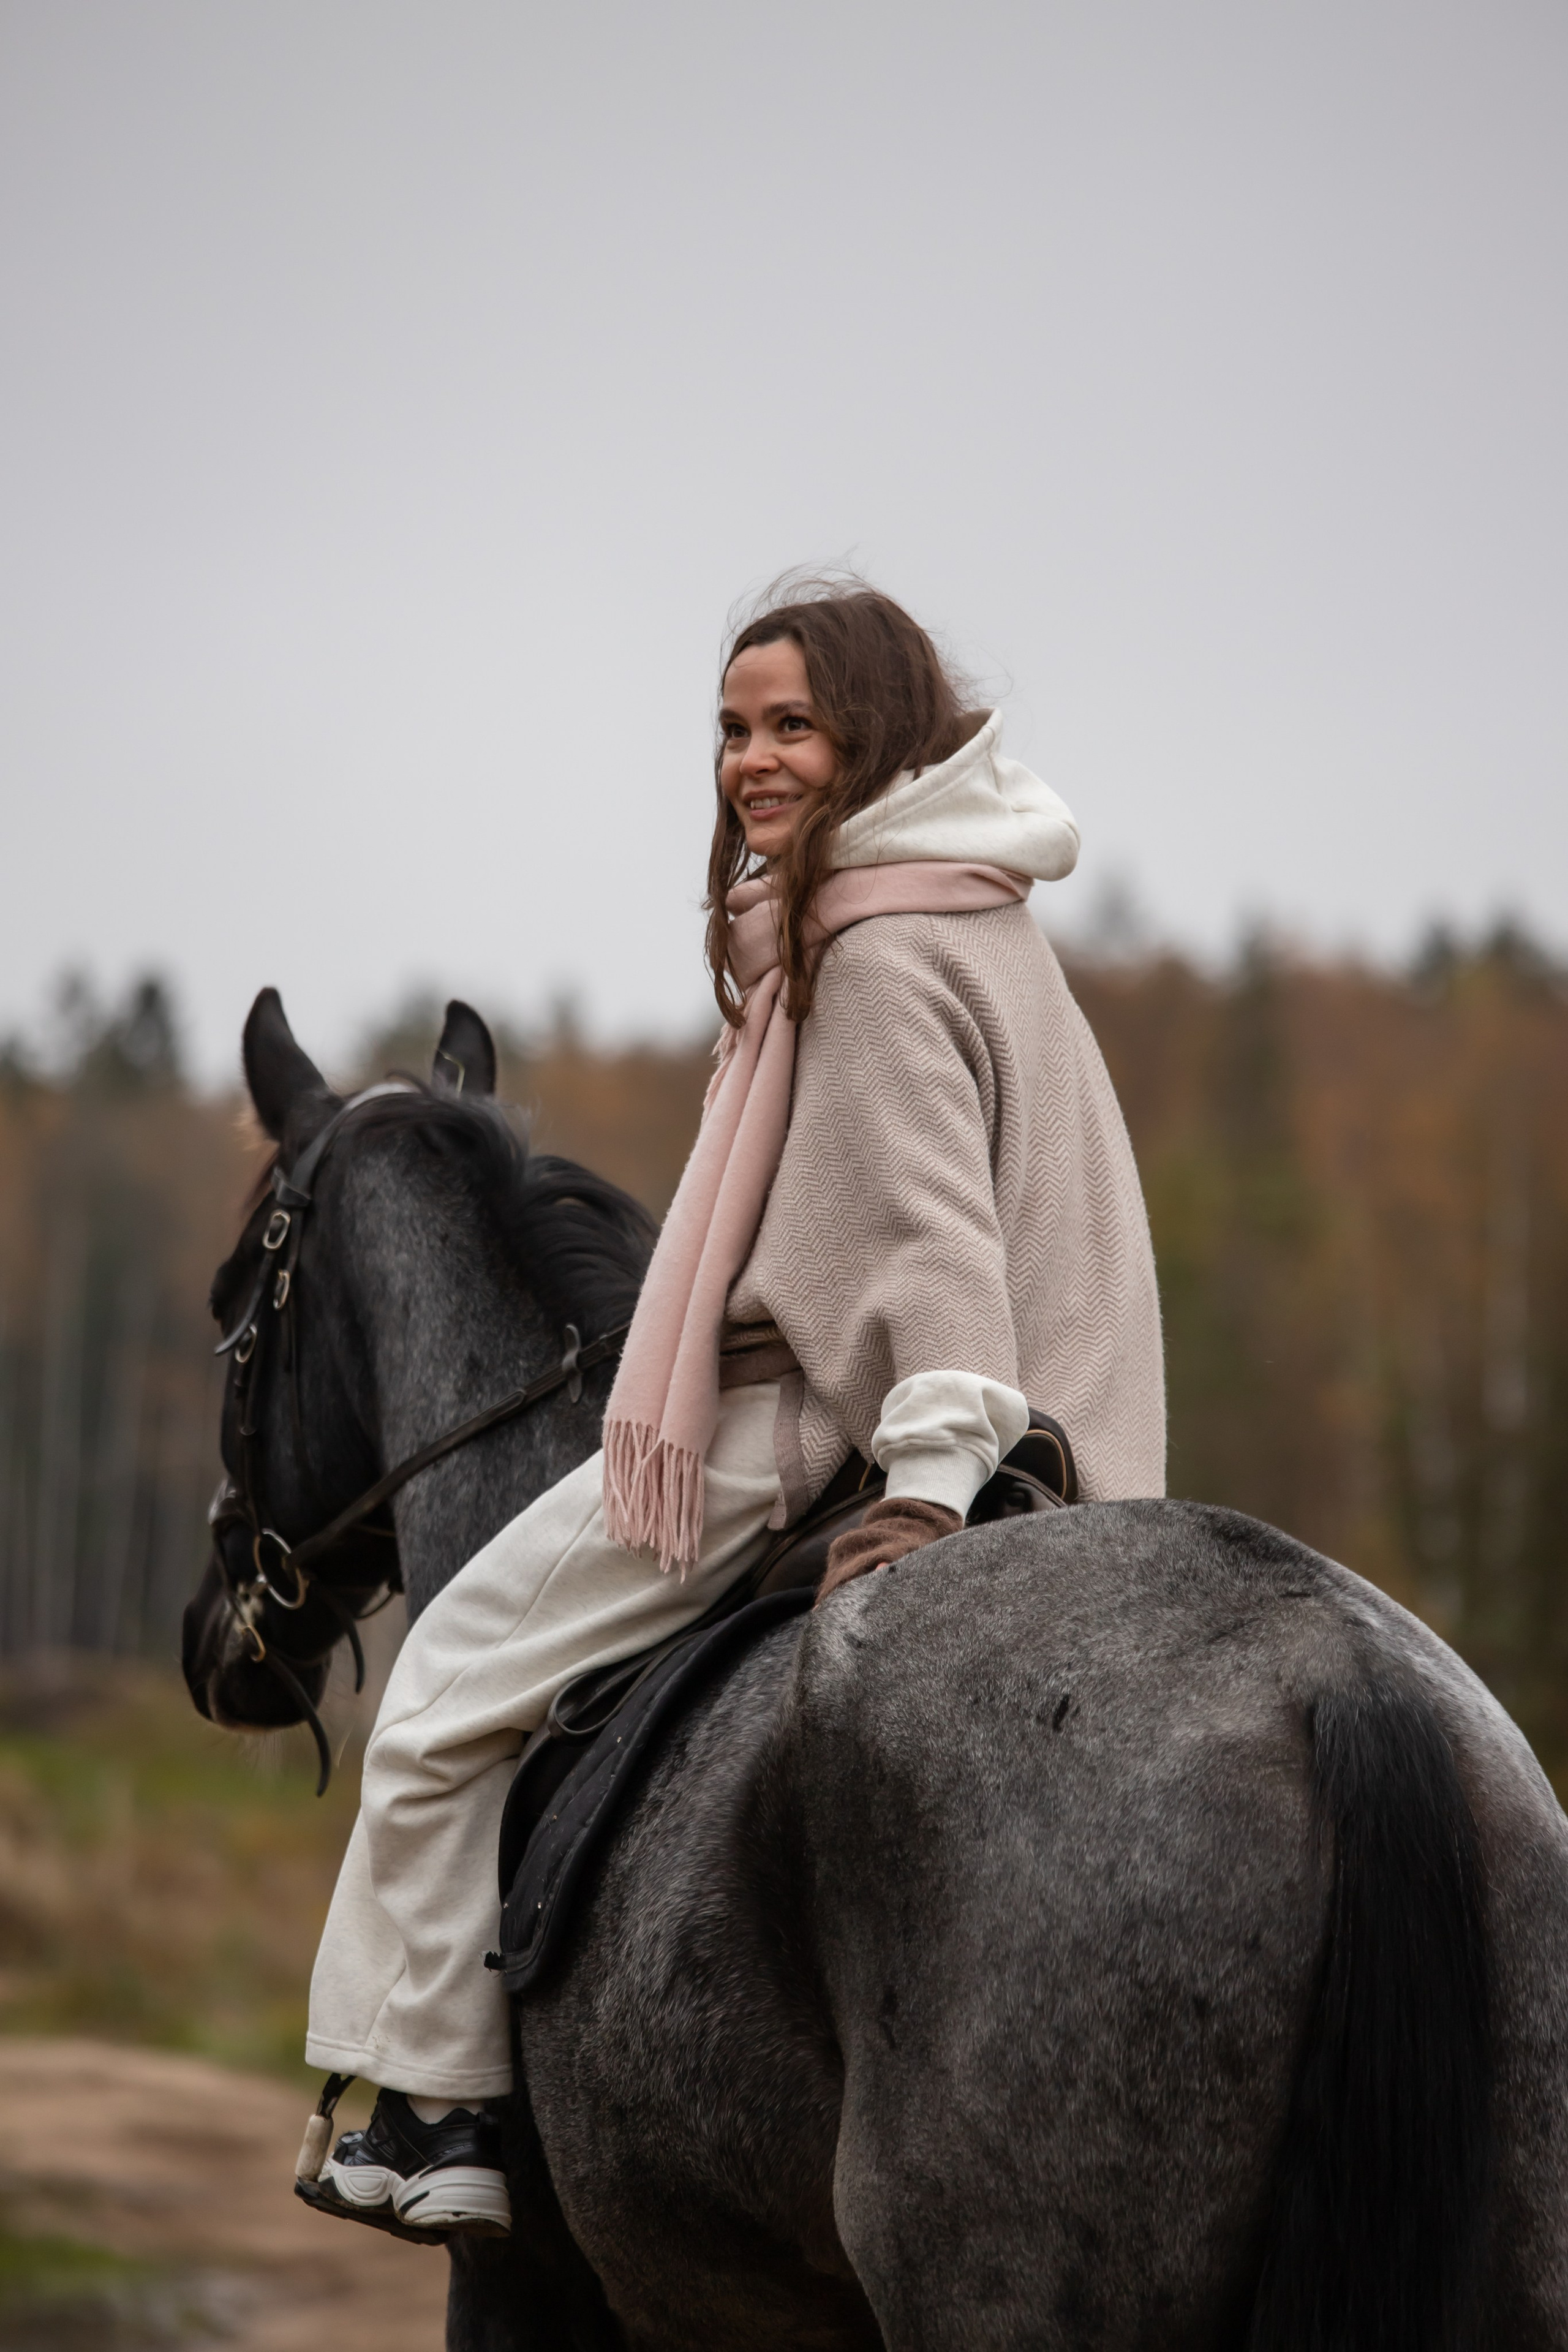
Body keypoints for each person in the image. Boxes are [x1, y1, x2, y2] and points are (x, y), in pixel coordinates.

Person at [300, 579, 1166, 2239]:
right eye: (733, 729)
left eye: (793, 727)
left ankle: (431, 2110)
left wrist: (926, 1476)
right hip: (1070, 1436)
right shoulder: (968, 910)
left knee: (440, 1691)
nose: (755, 762)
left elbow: (933, 1244)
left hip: (830, 1435)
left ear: (875, 736)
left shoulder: (875, 952)